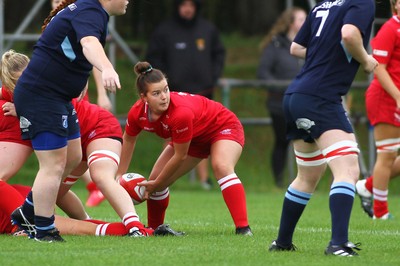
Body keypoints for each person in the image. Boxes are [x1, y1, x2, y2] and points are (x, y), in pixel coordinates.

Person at [0, 49, 155, 240]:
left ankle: (134, 226)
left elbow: (84, 57)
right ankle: (87, 221)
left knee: (100, 175)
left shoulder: (46, 80)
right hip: (71, 144)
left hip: (97, 127)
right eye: (17, 82)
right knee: (52, 192)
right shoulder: (10, 94)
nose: (25, 84)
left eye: (27, 77)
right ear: (9, 85)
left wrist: (25, 109)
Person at [11, 0, 129, 242]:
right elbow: (88, 43)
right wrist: (106, 67)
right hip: (42, 96)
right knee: (53, 164)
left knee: (74, 157)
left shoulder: (91, 11)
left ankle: (27, 211)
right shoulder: (91, 11)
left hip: (57, 97)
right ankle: (43, 230)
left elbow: (73, 48)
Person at [268, 0, 378, 257]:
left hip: (295, 96)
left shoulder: (322, 6)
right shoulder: (362, 2)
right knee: (348, 168)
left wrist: (326, 53)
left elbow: (296, 47)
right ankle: (338, 244)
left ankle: (282, 242)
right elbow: (349, 34)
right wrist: (365, 59)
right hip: (321, 97)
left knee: (307, 175)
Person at [116, 61, 252, 236]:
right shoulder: (137, 113)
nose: (164, 96)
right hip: (193, 137)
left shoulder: (180, 112)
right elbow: (128, 140)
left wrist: (158, 184)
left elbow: (180, 156)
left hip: (222, 126)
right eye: (156, 93)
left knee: (221, 166)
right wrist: (118, 176)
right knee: (155, 179)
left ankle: (243, 228)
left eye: (166, 89)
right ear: (144, 98)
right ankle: (155, 230)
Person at [146, 0, 226, 190]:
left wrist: (212, 78)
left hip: (203, 94)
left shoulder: (208, 29)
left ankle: (204, 180)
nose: (187, 9)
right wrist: (164, 84)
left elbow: (219, 55)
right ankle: (163, 179)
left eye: (191, 5)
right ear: (177, 6)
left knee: (202, 136)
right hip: (173, 94)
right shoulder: (164, 31)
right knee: (170, 135)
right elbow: (154, 58)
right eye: (183, 5)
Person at [356, 0, 400, 220]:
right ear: (395, 5)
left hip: (396, 98)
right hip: (385, 98)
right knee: (387, 154)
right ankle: (380, 213)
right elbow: (378, 67)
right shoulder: (391, 28)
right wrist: (397, 96)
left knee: (390, 155)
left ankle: (368, 185)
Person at [257, 7, 307, 188]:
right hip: (280, 104)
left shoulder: (310, 45)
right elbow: (263, 72)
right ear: (290, 22)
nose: (304, 23)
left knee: (307, 142)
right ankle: (279, 183)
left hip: (304, 103)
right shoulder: (276, 45)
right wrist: (281, 87)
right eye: (300, 19)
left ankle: (306, 181)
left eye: (305, 19)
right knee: (282, 141)